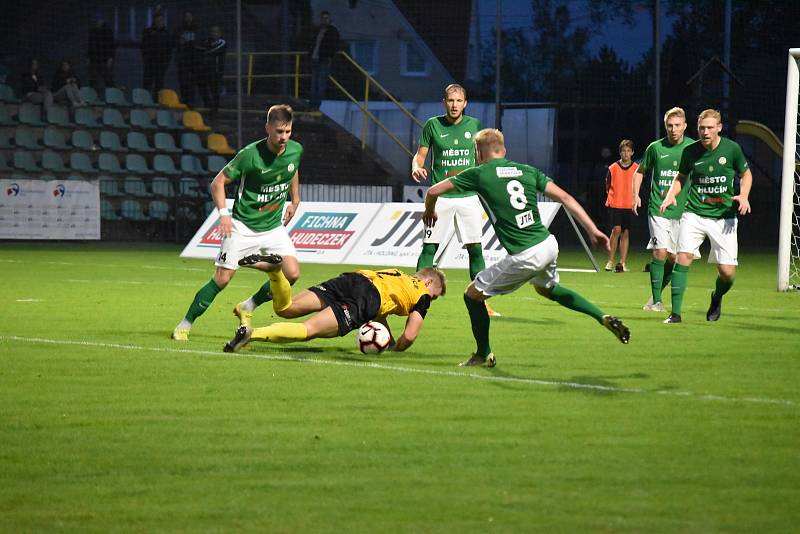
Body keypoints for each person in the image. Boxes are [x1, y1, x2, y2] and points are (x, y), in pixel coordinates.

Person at [423, 128, 630, 367]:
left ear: (478, 153)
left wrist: (429, 211)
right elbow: (566, 198)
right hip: (548, 244)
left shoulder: (479, 173)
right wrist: (593, 230)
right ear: (504, 150)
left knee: (472, 295)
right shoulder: (527, 171)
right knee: (547, 289)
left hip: (525, 254)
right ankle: (601, 317)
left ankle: (483, 354)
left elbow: (433, 190)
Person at [172, 104, 303, 340]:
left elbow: (292, 169)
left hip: (273, 227)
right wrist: (224, 214)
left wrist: (295, 199)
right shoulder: (249, 155)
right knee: (222, 279)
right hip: (242, 226)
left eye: (287, 132)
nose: (283, 137)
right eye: (278, 132)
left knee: (292, 273)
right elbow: (217, 183)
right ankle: (184, 324)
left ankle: (248, 306)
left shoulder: (295, 150)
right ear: (267, 128)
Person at [223, 254, 446, 353]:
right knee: (308, 330)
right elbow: (410, 335)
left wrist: (386, 340)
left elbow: (380, 313)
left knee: (285, 308)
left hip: (354, 279)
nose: (431, 299)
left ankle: (276, 273)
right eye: (434, 295)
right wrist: (397, 348)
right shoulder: (422, 295)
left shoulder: (398, 275)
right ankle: (251, 334)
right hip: (367, 298)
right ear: (427, 282)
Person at [412, 83, 499, 316]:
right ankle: (416, 295)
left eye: (459, 101)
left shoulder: (474, 126)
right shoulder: (433, 125)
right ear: (444, 102)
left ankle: (482, 300)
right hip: (441, 197)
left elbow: (482, 160)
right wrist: (416, 167)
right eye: (451, 100)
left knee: (476, 250)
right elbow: (420, 156)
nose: (454, 105)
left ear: (465, 103)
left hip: (469, 198)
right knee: (429, 247)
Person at [659, 109, 752, 324]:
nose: (705, 132)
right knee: (683, 258)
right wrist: (670, 196)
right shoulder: (690, 151)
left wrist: (744, 195)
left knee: (727, 273)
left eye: (710, 127)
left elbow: (745, 174)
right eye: (702, 128)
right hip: (694, 213)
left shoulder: (732, 149)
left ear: (719, 128)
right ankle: (675, 314)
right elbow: (681, 177)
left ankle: (717, 296)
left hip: (724, 217)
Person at [633, 107, 695, 312]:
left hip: (685, 212)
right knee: (660, 252)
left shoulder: (693, 148)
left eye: (677, 125)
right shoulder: (655, 148)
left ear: (685, 126)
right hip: (658, 209)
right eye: (670, 125)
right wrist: (635, 195)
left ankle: (655, 293)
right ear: (665, 126)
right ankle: (657, 301)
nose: (673, 129)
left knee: (674, 258)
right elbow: (639, 172)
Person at [604, 139, 638, 272]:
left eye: (628, 151)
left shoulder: (636, 168)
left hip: (629, 205)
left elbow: (639, 185)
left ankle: (623, 262)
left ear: (632, 152)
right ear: (620, 152)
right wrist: (611, 198)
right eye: (623, 151)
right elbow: (607, 185)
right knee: (616, 230)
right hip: (616, 204)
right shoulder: (612, 168)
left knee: (625, 233)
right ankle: (610, 261)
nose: (626, 153)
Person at [308, 10, 339, 109]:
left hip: (324, 59)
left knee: (320, 83)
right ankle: (312, 104)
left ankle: (316, 105)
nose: (324, 20)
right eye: (323, 18)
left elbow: (333, 45)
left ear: (329, 19)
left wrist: (329, 56)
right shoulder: (318, 30)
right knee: (314, 83)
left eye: (326, 18)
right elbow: (313, 43)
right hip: (315, 58)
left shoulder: (332, 31)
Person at [197, 25, 227, 116]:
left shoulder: (222, 42)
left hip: (215, 72)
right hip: (204, 71)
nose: (214, 34)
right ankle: (208, 107)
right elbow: (198, 49)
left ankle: (215, 110)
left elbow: (211, 50)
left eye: (216, 32)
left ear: (220, 33)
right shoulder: (206, 42)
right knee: (203, 89)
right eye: (212, 32)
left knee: (214, 91)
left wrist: (205, 51)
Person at [141, 12, 172, 95]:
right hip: (150, 64)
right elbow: (143, 47)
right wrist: (146, 60)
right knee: (147, 84)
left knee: (159, 85)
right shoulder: (147, 32)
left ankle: (157, 103)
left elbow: (169, 50)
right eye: (157, 20)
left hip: (161, 64)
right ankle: (146, 103)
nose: (159, 22)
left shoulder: (166, 33)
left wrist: (165, 63)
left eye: (161, 20)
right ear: (154, 21)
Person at [88, 16, 115, 92]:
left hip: (104, 59)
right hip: (95, 59)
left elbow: (111, 45)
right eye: (97, 21)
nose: (98, 22)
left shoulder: (107, 32)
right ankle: (92, 96)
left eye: (99, 20)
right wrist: (89, 58)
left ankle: (112, 96)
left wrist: (110, 58)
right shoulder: (93, 32)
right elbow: (90, 45)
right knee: (93, 79)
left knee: (108, 79)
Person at [177, 11, 198, 107]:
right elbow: (176, 41)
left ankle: (191, 100)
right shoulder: (180, 29)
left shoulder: (197, 29)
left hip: (194, 59)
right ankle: (185, 99)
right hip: (182, 59)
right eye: (186, 16)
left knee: (192, 80)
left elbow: (199, 42)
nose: (188, 18)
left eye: (190, 16)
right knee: (183, 80)